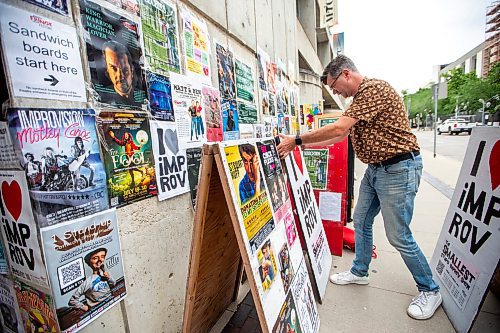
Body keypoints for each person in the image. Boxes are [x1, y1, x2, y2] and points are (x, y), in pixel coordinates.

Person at [276, 55, 441, 320]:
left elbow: (339, 127)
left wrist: (296, 139)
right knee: (362, 219)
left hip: (398, 168)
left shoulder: (373, 89)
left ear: (345, 74)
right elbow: (341, 135)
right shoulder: (358, 101)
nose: (334, 91)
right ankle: (360, 271)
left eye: (334, 86)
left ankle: (429, 289)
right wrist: (303, 146)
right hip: (377, 169)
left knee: (398, 234)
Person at [68, 248, 115, 312]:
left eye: (102, 257)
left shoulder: (105, 274)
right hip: (97, 309)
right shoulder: (87, 282)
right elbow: (72, 301)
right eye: (95, 258)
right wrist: (84, 307)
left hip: (111, 301)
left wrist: (109, 277)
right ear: (89, 262)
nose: (100, 260)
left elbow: (113, 284)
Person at [102, 40, 140, 107]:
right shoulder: (101, 98)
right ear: (107, 71)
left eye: (125, 70)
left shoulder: (142, 97)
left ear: (132, 70)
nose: (120, 76)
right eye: (114, 68)